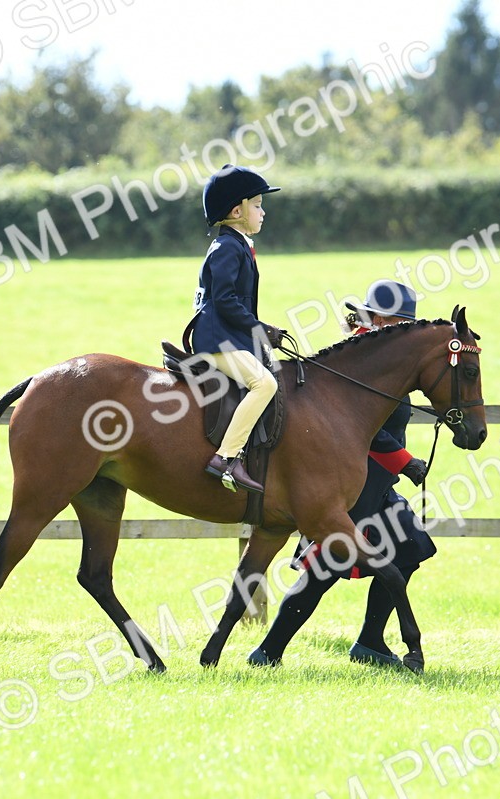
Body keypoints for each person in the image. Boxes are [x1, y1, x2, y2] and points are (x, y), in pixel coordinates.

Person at [248, 279, 436, 667]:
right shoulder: (362, 357)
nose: (404, 330)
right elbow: (355, 428)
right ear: (381, 318)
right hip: (350, 486)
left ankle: (369, 642)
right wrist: (404, 460)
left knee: (407, 552)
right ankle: (267, 653)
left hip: (377, 485)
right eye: (399, 322)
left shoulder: (384, 357)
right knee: (324, 567)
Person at [190, 164, 285, 494]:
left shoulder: (236, 243)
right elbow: (226, 300)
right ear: (236, 210)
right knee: (263, 384)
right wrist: (260, 328)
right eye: (257, 205)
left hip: (228, 336)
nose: (263, 212)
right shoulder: (228, 247)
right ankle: (226, 458)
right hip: (217, 340)